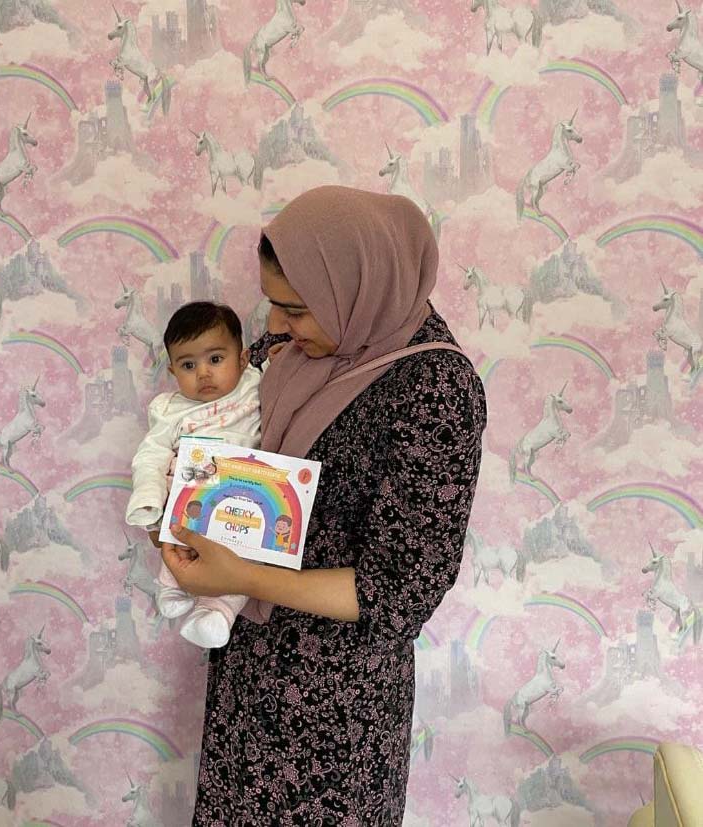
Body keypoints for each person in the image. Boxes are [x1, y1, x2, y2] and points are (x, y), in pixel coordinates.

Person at [161, 185, 488, 825]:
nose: (275, 327)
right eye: (274, 307)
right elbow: (231, 442)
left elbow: (398, 592)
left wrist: (239, 577)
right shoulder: (290, 353)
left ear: (355, 290)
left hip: (335, 707)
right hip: (249, 669)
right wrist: (184, 491)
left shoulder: (434, 390)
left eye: (297, 309)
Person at [124, 301, 263, 649]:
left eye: (215, 359)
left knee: (242, 554)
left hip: (240, 494)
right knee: (178, 523)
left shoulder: (255, 386)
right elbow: (151, 455)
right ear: (172, 372)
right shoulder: (171, 410)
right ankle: (172, 584)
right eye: (189, 364)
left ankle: (218, 613)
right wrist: (147, 497)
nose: (203, 373)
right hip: (191, 494)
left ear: (243, 359)